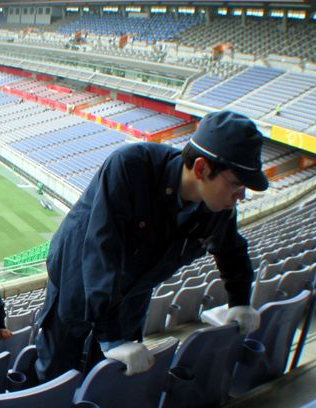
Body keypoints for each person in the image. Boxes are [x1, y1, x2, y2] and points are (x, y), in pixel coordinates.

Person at [34, 110, 268, 382]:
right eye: (237, 183)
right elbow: (101, 249)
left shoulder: (218, 206)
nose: (242, 195)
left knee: (113, 372)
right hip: (78, 273)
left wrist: (240, 300)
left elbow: (231, 248)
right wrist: (110, 337)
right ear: (202, 168)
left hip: (137, 284)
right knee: (60, 361)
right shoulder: (130, 166)